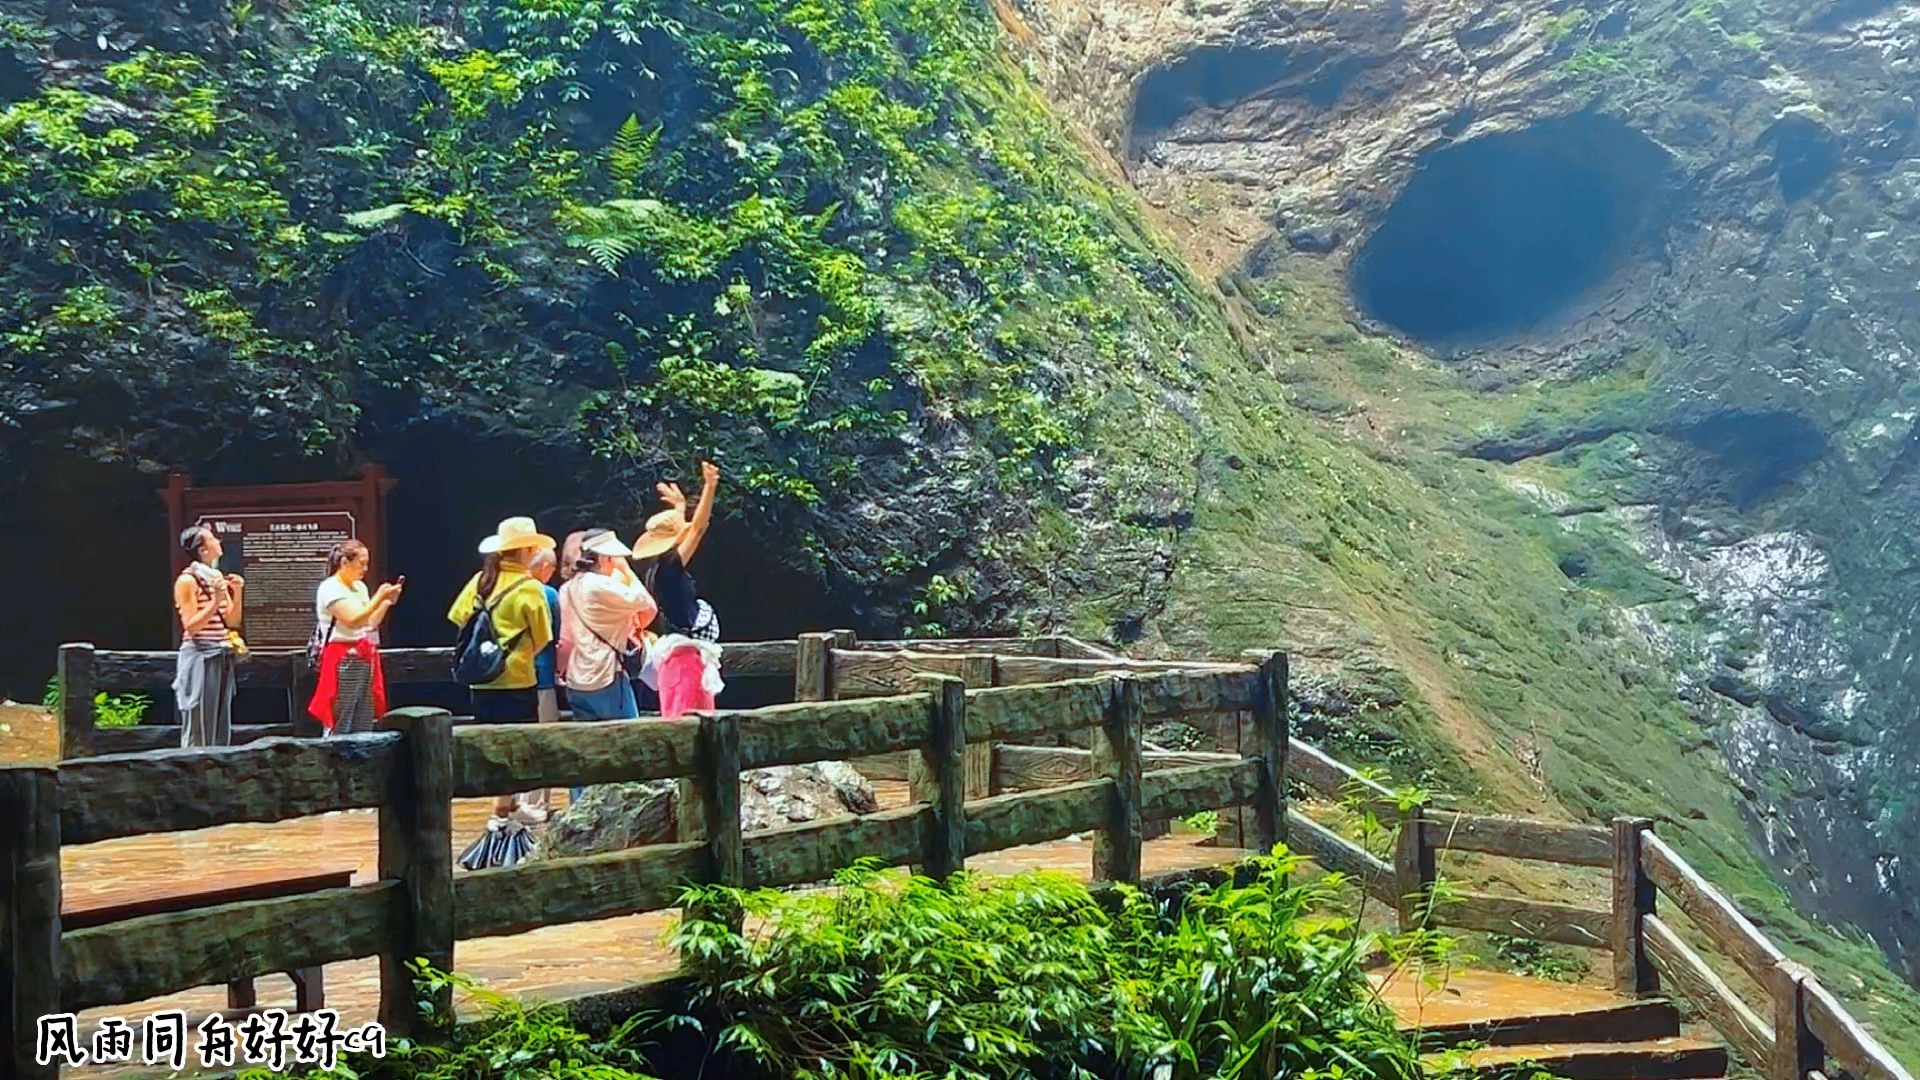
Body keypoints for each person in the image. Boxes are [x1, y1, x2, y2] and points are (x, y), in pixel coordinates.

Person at [447, 517, 556, 869]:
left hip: (481, 681)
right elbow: (542, 637)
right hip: (516, 679)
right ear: (524, 550)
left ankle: (501, 813)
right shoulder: (529, 588)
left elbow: (458, 617)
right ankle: (501, 814)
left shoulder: (481, 580)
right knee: (517, 751)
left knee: (491, 747)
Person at [558, 529, 658, 802]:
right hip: (606, 677)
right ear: (602, 556)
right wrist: (627, 571)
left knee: (584, 750)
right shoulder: (601, 585)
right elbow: (646, 603)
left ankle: (579, 809)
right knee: (629, 743)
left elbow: (564, 639)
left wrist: (561, 672)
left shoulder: (567, 588)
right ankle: (633, 805)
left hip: (576, 681)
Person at [633, 461, 723, 717]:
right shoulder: (670, 569)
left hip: (674, 656)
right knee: (692, 722)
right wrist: (709, 486)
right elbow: (698, 528)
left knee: (677, 716)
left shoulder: (656, 568)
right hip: (685, 661)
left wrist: (679, 506)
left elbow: (687, 530)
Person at [309, 540, 402, 736]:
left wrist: (386, 602)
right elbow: (352, 619)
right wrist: (379, 596)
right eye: (361, 563)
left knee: (364, 714)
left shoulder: (359, 587)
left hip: (362, 653)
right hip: (342, 657)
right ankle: (337, 757)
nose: (365, 569)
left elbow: (368, 622)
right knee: (342, 715)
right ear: (344, 562)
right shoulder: (330, 587)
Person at [172, 525, 244, 748]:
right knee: (198, 721)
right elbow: (191, 626)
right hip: (199, 655)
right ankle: (194, 771)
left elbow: (232, 621)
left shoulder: (216, 578)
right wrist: (214, 601)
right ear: (202, 550)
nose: (218, 541)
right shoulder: (187, 581)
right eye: (212, 538)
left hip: (220, 652)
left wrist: (237, 592)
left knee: (220, 722)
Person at [520, 547, 563, 822]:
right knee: (544, 739)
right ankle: (536, 804)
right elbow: (555, 633)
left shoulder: (511, 588)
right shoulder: (548, 594)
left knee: (520, 738)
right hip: (543, 674)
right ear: (545, 566)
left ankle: (515, 801)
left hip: (513, 677)